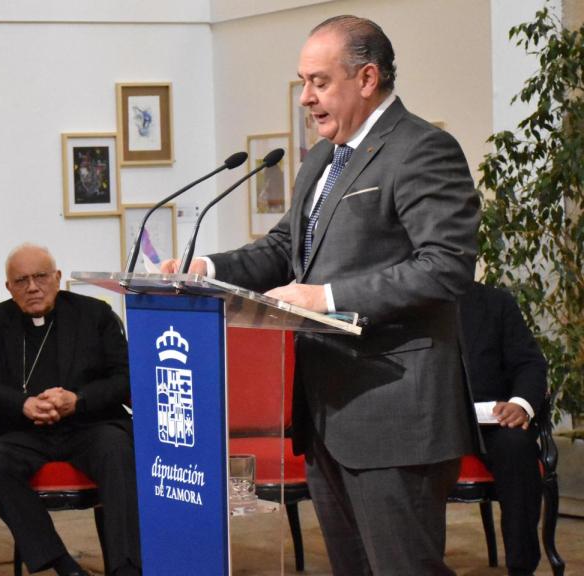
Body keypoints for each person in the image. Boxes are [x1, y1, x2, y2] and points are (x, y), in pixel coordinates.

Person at [162, 16, 480, 575]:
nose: (305, 98)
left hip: (395, 415)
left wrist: (326, 296)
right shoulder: (321, 159)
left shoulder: (421, 149)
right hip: (327, 414)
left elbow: (445, 267)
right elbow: (283, 248)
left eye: (319, 82)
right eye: (303, 82)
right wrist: (203, 268)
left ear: (367, 78)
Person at [0, 243, 141, 576]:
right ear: (8, 287)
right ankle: (63, 564)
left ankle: (125, 568)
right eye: (21, 280)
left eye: (41, 276)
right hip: (22, 432)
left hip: (89, 426)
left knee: (117, 449)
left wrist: (78, 400)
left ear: (57, 277)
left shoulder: (94, 315)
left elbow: (126, 377)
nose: (32, 287)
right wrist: (22, 404)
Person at [460, 281, 546, 576]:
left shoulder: (496, 302)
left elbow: (529, 364)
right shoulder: (408, 302)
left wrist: (520, 404)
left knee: (517, 446)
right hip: (426, 422)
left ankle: (521, 567)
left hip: (490, 420)